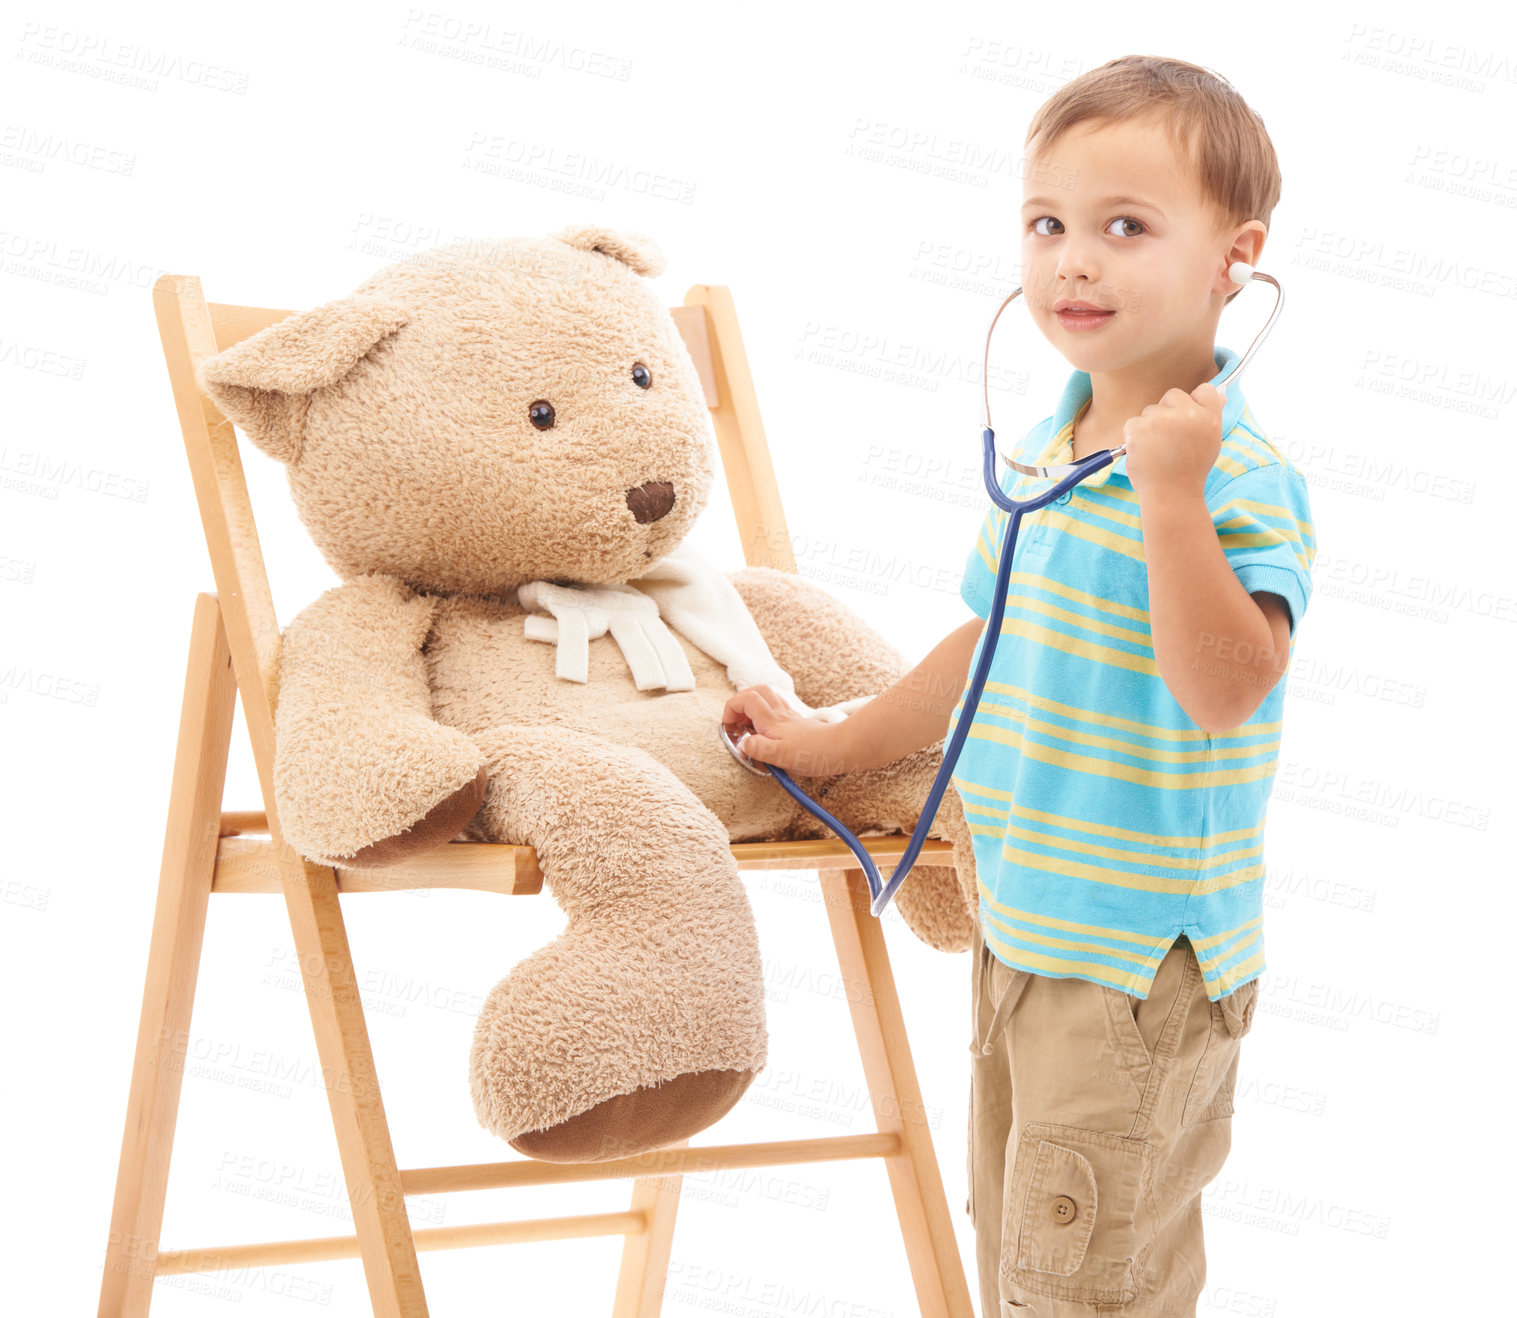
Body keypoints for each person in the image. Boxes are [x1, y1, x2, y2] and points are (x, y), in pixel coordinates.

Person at [722, 55, 1316, 1317]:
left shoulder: (1233, 478)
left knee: (1084, 1287)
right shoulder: (1051, 451)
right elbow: (982, 644)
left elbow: (1229, 687)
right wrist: (831, 741)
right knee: (1025, 1269)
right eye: (1046, 225)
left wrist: (1169, 499)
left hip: (1135, 961)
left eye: (1124, 227)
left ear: (1234, 260)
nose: (1071, 262)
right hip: (1021, 931)